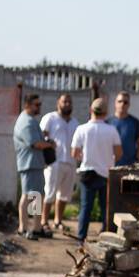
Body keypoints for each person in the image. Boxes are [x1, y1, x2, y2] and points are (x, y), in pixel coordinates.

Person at [70, 97, 123, 243]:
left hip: (87, 172)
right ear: (106, 113)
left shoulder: (81, 129)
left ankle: (81, 237)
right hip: (106, 173)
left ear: (91, 111)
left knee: (86, 207)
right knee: (106, 207)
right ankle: (107, 238)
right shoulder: (111, 130)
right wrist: (108, 159)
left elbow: (74, 153)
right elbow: (119, 153)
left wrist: (87, 157)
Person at [12, 88, 53, 239]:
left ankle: (36, 227)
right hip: (29, 164)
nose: (39, 108)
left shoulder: (30, 120)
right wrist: (50, 145)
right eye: (37, 105)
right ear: (27, 105)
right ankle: (23, 228)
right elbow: (35, 143)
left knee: (35, 195)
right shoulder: (26, 122)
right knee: (28, 195)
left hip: (34, 163)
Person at [39, 94, 78, 232]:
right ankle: (43, 221)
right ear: (58, 103)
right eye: (64, 101)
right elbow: (41, 135)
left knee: (65, 195)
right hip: (54, 162)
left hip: (70, 162)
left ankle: (58, 220)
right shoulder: (50, 118)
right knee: (49, 192)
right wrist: (48, 142)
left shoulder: (75, 122)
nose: (67, 104)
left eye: (69, 101)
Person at [107, 90, 139, 166]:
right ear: (115, 103)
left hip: (129, 166)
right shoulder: (107, 122)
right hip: (109, 165)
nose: (122, 104)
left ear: (129, 104)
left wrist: (136, 159)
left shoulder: (135, 122)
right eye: (120, 101)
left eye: (125, 102)